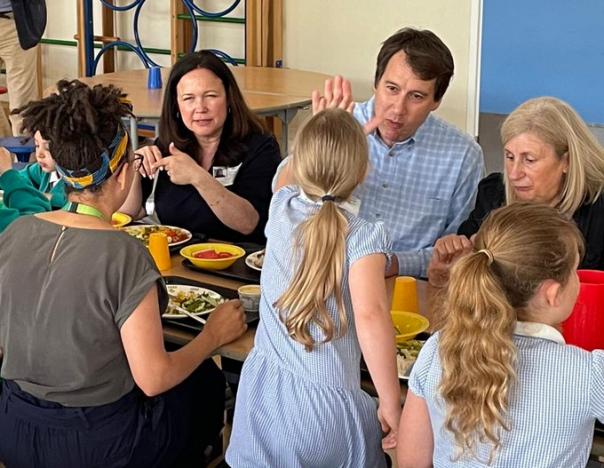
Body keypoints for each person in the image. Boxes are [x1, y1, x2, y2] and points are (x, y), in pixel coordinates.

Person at [0, 79, 247, 467]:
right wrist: (212, 336)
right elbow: (153, 378)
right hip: (96, 444)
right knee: (204, 383)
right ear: (122, 173)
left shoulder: (16, 232)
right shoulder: (124, 253)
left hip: (14, 427)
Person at [226, 109, 401, 467]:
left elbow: (288, 177)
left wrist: (323, 125)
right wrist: (389, 400)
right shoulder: (364, 235)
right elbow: (371, 317)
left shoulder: (280, 207)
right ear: (364, 171)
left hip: (263, 395)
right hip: (329, 409)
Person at [397, 203, 604, 467]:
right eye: (573, 271)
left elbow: (411, 461)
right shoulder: (589, 374)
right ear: (552, 294)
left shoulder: (438, 347)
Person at [290, 28, 484, 277]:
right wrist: (317, 142)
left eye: (416, 96)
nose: (398, 108)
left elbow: (457, 251)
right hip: (324, 275)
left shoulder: (464, 156)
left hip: (407, 285)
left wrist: (387, 264)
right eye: (391, 89)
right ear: (376, 83)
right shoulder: (342, 122)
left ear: (436, 100)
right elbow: (282, 197)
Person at [427, 96, 604, 288]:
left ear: (566, 161)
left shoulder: (598, 211)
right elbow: (462, 281)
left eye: (529, 160)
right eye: (510, 157)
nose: (513, 174)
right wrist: (446, 273)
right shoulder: (493, 195)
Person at [120, 50, 281, 244]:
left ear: (229, 98)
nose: (200, 107)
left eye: (211, 96)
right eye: (188, 98)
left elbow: (249, 223)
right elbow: (128, 214)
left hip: (238, 265)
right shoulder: (169, 144)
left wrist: (197, 176)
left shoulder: (260, 146)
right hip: (177, 263)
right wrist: (136, 167)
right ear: (176, 105)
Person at [0, 0, 45, 135]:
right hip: (14, 23)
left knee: (22, 108)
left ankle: (24, 155)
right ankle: (4, 153)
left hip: (16, 25)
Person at [0, 129, 66, 209]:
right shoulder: (42, 170)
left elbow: (68, 201)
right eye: (37, 146)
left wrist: (36, 196)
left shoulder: (77, 180)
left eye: (47, 148)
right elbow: (21, 177)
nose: (39, 154)